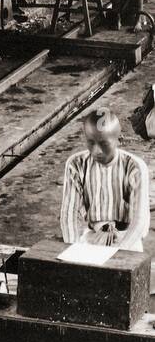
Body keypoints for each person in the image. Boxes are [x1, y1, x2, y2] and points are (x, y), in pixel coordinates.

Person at [60, 107, 149, 251]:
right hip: (91, 236)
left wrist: (120, 250)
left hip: (126, 238)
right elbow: (68, 215)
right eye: (91, 142)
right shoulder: (75, 164)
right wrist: (73, 249)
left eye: (104, 144)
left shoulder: (135, 167)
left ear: (119, 140)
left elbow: (139, 221)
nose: (97, 151)